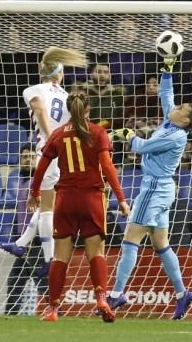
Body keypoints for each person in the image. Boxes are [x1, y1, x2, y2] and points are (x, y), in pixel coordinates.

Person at [106, 42, 192, 320]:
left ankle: (116, 294)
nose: (177, 106)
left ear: (185, 120)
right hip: (163, 189)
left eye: (183, 107)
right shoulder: (171, 121)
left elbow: (140, 147)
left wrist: (127, 134)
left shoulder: (174, 135)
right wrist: (167, 67)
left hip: (153, 189)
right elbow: (167, 93)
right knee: (161, 244)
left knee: (130, 240)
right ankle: (182, 294)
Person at [30, 94, 129, 323]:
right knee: (96, 252)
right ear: (88, 110)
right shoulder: (97, 132)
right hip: (91, 199)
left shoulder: (57, 134)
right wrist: (122, 198)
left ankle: (53, 309)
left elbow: (41, 167)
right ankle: (101, 299)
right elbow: (107, 166)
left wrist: (34, 194)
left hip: (64, 199)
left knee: (60, 257)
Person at [2, 48, 88, 281]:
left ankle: (50, 260)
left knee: (47, 208)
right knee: (46, 203)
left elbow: (39, 108)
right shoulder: (68, 96)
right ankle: (21, 244)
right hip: (67, 154)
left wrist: (51, 138)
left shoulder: (33, 89)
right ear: (60, 74)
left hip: (49, 150)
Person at [3, 144, 48, 316]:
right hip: (25, 242)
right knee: (18, 281)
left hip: (35, 242)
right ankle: (10, 314)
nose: (27, 160)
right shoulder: (22, 182)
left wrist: (33, 238)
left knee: (39, 282)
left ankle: (56, 311)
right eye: (24, 157)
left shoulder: (40, 182)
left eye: (31, 156)